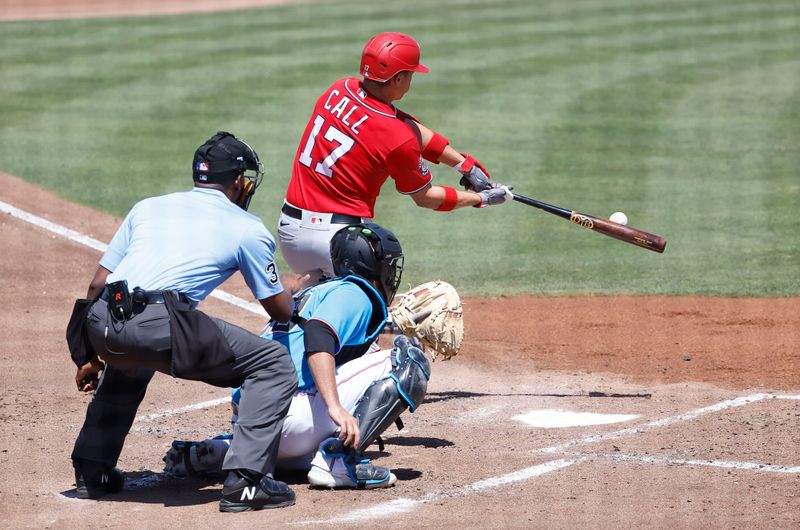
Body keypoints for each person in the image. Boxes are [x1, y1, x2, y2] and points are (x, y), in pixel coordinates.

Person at [66, 131, 301, 513]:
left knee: (132, 360)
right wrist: (298, 292)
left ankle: (92, 472)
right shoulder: (247, 227)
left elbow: (96, 285)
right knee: (272, 364)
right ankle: (246, 482)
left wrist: (87, 356)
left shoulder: (148, 207)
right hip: (159, 326)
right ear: (239, 181)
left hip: (103, 321)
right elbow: (279, 311)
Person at [164, 223, 431, 489]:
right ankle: (339, 463)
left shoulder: (313, 293)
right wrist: (335, 408)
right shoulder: (355, 293)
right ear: (374, 266)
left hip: (254, 424)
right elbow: (318, 333)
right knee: (409, 358)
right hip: (292, 417)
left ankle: (227, 450)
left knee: (308, 453)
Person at [278, 31, 513, 281]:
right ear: (399, 78)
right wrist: (479, 198)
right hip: (338, 241)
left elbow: (407, 126)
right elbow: (426, 198)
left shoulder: (339, 88)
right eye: (411, 74)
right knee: (371, 307)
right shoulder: (397, 139)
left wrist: (463, 165)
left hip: (290, 233)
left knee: (313, 299)